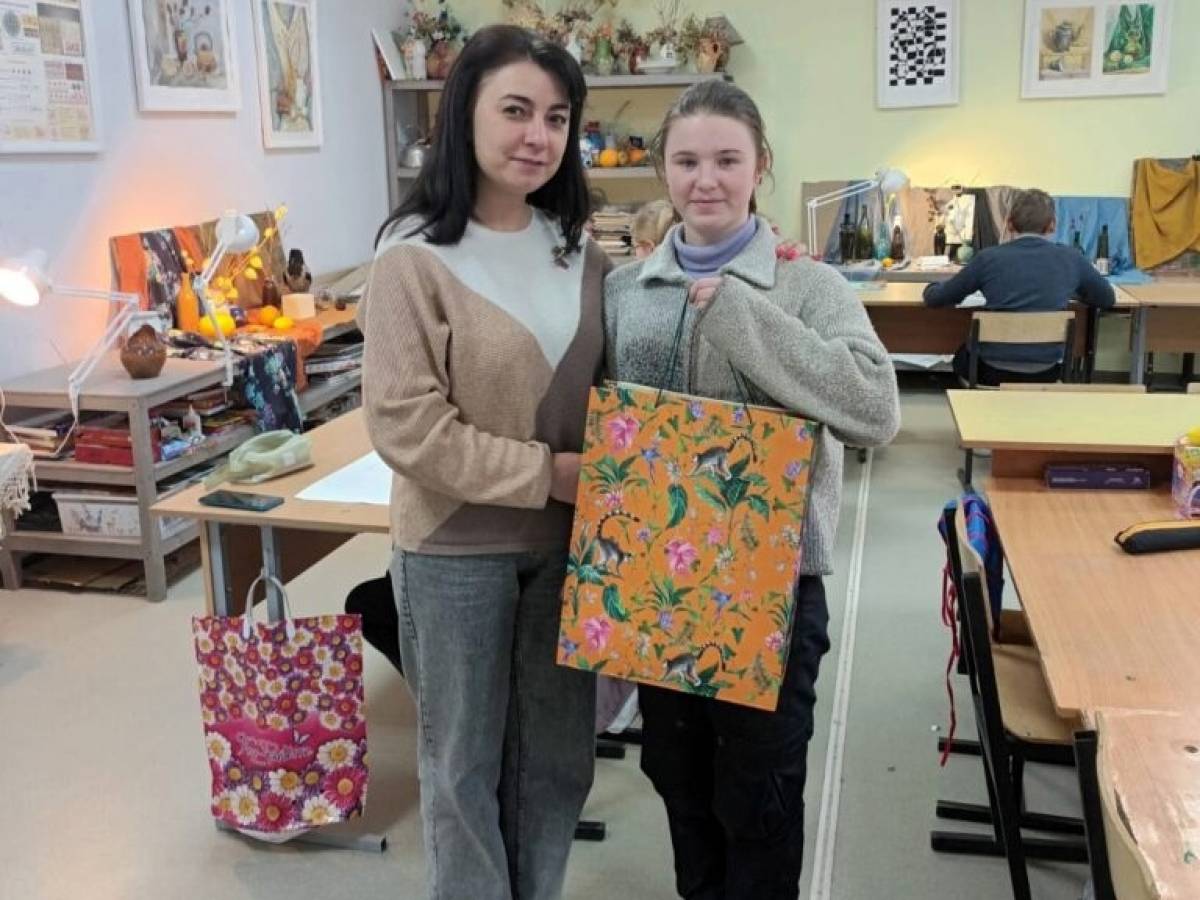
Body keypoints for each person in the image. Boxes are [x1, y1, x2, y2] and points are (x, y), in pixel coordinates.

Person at [603, 80, 900, 900]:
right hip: (662, 585)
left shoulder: (810, 287)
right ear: (663, 169)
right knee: (679, 781)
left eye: (727, 160)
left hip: (772, 589)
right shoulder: (625, 291)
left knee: (758, 795)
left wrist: (744, 316)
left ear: (760, 165)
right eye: (686, 161)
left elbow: (875, 410)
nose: (706, 180)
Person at [357, 25, 608, 900]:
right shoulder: (413, 255)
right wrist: (547, 475)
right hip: (454, 551)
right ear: (464, 111)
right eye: (515, 111)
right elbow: (406, 427)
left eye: (557, 117)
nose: (538, 135)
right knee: (462, 766)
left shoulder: (579, 250)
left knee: (557, 761)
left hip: (568, 548)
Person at [923, 187, 1116, 386]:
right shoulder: (1072, 259)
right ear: (1052, 225)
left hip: (991, 370)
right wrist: (1076, 292)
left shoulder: (988, 258)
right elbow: (1107, 298)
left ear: (1009, 224)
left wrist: (931, 288)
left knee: (961, 357)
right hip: (1047, 371)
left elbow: (937, 298)